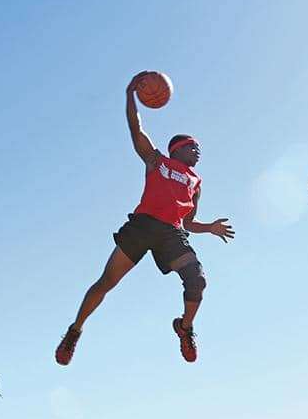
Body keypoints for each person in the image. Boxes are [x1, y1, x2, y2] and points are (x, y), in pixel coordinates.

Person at [55, 71, 235, 366]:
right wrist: (129, 94)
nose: (198, 150)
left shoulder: (196, 182)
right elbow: (135, 128)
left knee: (197, 281)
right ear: (177, 149)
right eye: (193, 146)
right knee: (106, 282)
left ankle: (185, 327)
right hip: (143, 225)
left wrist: (211, 228)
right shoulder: (156, 161)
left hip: (171, 234)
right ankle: (75, 331)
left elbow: (188, 223)